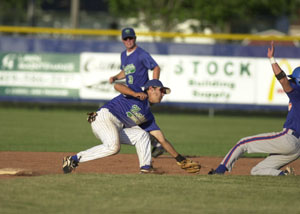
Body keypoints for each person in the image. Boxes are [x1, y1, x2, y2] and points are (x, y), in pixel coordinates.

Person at [63, 79, 200, 174]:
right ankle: (73, 159)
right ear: (151, 89)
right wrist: (134, 94)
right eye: (162, 90)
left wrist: (179, 158)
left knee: (142, 135)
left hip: (117, 127)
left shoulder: (148, 116)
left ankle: (146, 168)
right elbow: (117, 85)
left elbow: (162, 140)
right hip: (104, 118)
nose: (163, 94)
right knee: (113, 147)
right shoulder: (136, 91)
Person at [209, 41, 300, 176]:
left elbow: (283, 80)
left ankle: (220, 171)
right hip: (297, 148)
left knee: (243, 143)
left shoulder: (297, 93)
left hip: (288, 139)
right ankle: (284, 175)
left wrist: (271, 59)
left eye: (294, 80)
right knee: (257, 171)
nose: (291, 81)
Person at [109, 27, 164, 158]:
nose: (128, 40)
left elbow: (155, 67)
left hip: (141, 94)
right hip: (131, 94)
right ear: (122, 40)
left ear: (135, 38)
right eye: (126, 38)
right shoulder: (123, 55)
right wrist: (116, 77)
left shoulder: (141, 54)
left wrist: (155, 85)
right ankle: (157, 144)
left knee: (131, 121)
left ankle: (157, 143)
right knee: (135, 122)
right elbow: (126, 71)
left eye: (131, 38)